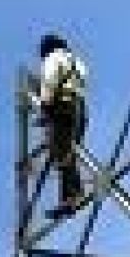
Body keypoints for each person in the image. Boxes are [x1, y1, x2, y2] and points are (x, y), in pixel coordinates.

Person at [38, 33, 89, 219]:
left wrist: (45, 104)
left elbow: (50, 80)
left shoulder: (52, 59)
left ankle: (73, 195)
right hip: (80, 108)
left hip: (62, 107)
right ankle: (68, 198)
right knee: (68, 153)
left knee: (62, 153)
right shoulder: (77, 62)